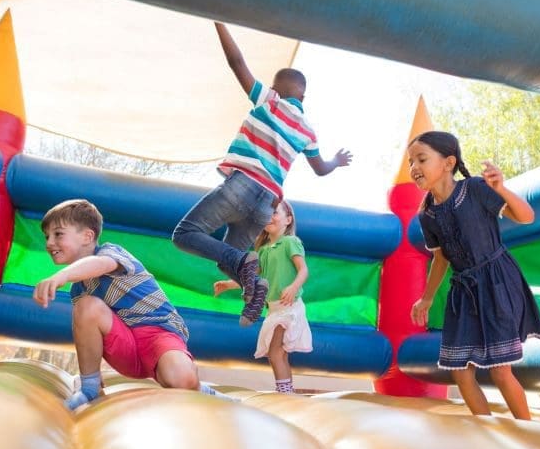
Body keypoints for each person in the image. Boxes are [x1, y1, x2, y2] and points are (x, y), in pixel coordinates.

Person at [172, 22, 352, 326]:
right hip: (267, 202)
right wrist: (335, 161)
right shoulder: (307, 130)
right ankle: (255, 291)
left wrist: (218, 21)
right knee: (231, 261)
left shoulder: (270, 101)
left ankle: (245, 269)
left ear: (275, 89)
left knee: (186, 234)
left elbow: (237, 62)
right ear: (303, 99)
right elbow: (320, 169)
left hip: (242, 185)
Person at [33, 199, 225, 409]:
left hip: (158, 333)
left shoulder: (111, 253)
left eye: (58, 234)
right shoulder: (79, 290)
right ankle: (90, 388)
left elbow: (100, 265)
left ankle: (199, 388)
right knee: (87, 306)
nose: (49, 243)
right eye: (47, 237)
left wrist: (62, 276)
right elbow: (89, 331)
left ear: (88, 236)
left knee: (180, 379)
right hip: (125, 347)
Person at [407, 131, 540, 420]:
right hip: (464, 291)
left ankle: (531, 433)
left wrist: (501, 188)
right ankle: (488, 433)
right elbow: (441, 257)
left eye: (421, 159)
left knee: (500, 370)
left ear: (448, 163)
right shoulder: (427, 214)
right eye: (411, 162)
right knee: (460, 372)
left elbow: (526, 216)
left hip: (496, 281)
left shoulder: (475, 189)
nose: (414, 168)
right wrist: (426, 298)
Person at [213, 200, 312, 393]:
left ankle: (285, 393)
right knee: (276, 354)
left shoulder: (290, 242)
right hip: (274, 309)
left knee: (276, 352)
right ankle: (286, 390)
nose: (270, 217)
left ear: (288, 220)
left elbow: (303, 270)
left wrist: (293, 286)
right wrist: (228, 284)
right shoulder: (264, 250)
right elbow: (254, 278)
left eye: (275, 213)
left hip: (289, 307)